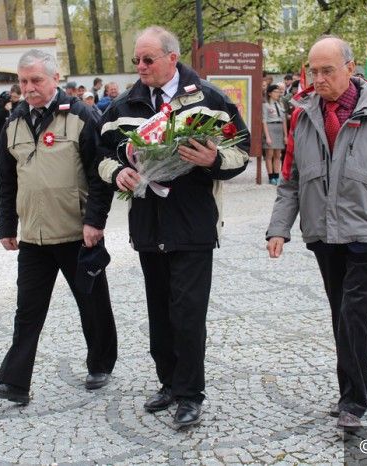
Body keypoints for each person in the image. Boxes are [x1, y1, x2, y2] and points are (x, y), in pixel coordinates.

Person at [97, 26, 249, 428]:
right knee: (160, 312)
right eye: (136, 60)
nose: (140, 66)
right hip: (148, 223)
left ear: (172, 58)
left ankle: (190, 393)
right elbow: (100, 154)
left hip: (193, 223)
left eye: (148, 59)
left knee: (188, 313)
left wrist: (213, 160)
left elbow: (241, 151)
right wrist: (118, 174)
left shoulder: (210, 99)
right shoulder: (124, 104)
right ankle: (168, 382)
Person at [265, 36, 367, 431]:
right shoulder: (302, 116)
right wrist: (279, 228)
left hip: (366, 230)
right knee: (341, 313)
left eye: (327, 71)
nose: (318, 79)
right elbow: (289, 180)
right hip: (323, 233)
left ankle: (353, 400)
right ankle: (355, 389)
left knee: (354, 310)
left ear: (350, 68)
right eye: (313, 71)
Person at [0, 49, 117, 405]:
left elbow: (100, 174)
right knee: (27, 311)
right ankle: (14, 383)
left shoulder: (81, 116)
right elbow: (7, 179)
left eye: (36, 80)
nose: (29, 88)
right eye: (23, 81)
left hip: (77, 232)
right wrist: (6, 225)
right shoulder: (13, 122)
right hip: (34, 236)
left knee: (92, 303)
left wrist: (95, 221)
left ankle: (101, 364)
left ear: (55, 78)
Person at [263, 84, 287, 185]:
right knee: (269, 154)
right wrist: (267, 136)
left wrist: (285, 135)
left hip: (279, 129)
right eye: (275, 92)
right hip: (270, 128)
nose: (278, 94)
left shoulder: (280, 104)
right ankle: (270, 176)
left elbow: (284, 120)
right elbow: (264, 121)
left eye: (278, 92)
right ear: (270, 93)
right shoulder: (266, 105)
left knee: (278, 154)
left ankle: (276, 175)